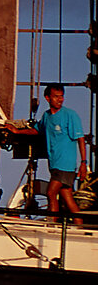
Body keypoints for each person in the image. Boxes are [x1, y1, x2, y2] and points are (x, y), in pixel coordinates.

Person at [37, 84, 88, 224]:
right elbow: (37, 129)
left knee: (51, 193)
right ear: (48, 98)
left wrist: (84, 163)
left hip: (65, 164)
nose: (60, 100)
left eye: (61, 96)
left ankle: (51, 226)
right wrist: (16, 131)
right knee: (67, 196)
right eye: (56, 96)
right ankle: (81, 229)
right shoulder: (46, 116)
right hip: (54, 164)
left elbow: (81, 139)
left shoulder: (70, 115)